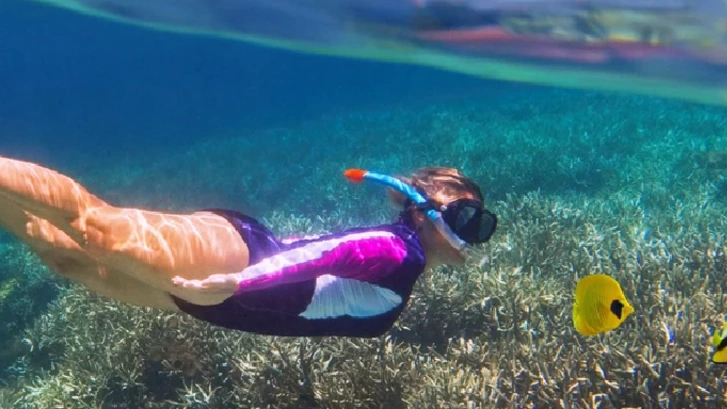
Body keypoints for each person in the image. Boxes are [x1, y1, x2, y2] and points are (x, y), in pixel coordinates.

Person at [0, 156, 497, 337]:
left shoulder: (403, 263)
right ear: (425, 209)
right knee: (95, 227)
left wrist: (234, 290)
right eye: (466, 217)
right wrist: (240, 279)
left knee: (67, 259)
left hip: (219, 302)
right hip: (234, 267)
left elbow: (320, 255)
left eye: (480, 224)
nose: (472, 234)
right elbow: (326, 255)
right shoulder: (398, 252)